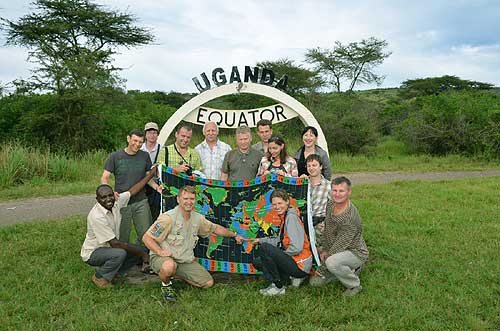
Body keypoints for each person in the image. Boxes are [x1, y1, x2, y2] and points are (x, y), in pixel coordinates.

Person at [142, 185, 244, 302]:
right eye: (185, 199)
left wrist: (234, 234)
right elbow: (146, 238)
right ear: (178, 199)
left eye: (192, 199)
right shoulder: (167, 218)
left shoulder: (197, 219)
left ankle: (176, 274)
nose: (189, 202)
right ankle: (166, 285)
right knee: (169, 266)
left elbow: (215, 228)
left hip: (183, 260)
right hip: (163, 258)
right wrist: (160, 251)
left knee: (208, 283)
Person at [81, 166, 157, 289]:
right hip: (94, 252)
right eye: (103, 197)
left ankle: (113, 273)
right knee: (121, 253)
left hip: (109, 249)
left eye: (110, 195)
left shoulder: (116, 201)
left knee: (139, 249)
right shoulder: (96, 216)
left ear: (114, 194)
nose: (108, 200)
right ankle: (100, 277)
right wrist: (143, 254)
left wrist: (150, 175)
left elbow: (133, 191)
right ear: (97, 199)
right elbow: (115, 243)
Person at [309, 176, 369, 297]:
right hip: (335, 247)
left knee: (331, 262)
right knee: (314, 282)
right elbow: (328, 229)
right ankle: (340, 272)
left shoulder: (350, 218)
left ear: (349, 192)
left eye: (341, 191)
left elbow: (339, 246)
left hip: (354, 251)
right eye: (334, 190)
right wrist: (324, 249)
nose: (337, 194)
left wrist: (321, 269)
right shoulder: (331, 204)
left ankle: (354, 284)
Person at [101, 129, 162, 248]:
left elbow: (147, 177)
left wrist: (156, 187)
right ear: (128, 139)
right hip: (122, 202)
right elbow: (104, 177)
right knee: (123, 235)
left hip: (141, 201)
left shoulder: (144, 156)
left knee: (146, 234)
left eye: (140, 142)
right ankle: (123, 259)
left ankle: (144, 259)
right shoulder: (115, 156)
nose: (137, 144)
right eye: (135, 140)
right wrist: (110, 192)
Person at [252, 189, 312, 296]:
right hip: (294, 261)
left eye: (280, 203)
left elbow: (297, 248)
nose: (277, 207)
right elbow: (280, 240)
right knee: (258, 262)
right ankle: (282, 280)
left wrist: (280, 257)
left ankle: (278, 286)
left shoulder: (291, 218)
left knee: (265, 248)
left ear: (287, 202)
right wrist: (260, 240)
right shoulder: (285, 216)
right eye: (274, 204)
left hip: (300, 265)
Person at [304, 154, 331, 248]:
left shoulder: (328, 186)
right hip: (303, 220)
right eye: (309, 166)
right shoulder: (302, 183)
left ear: (321, 167)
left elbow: (334, 208)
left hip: (320, 222)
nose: (311, 168)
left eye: (314, 165)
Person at [141, 122, 163, 222]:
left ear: (157, 135)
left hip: (155, 183)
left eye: (154, 133)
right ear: (145, 134)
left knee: (155, 209)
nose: (152, 135)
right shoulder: (140, 148)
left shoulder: (161, 149)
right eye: (149, 132)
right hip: (141, 183)